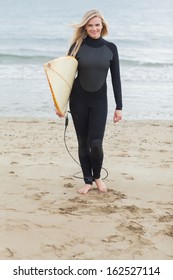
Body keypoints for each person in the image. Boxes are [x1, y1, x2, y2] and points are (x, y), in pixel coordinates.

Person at [56, 9, 122, 194]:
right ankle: (87, 180)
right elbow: (66, 78)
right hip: (79, 100)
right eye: (90, 25)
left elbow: (116, 78)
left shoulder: (111, 48)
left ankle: (97, 177)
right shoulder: (77, 46)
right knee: (83, 141)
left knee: (96, 143)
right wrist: (60, 105)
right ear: (85, 26)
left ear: (103, 26)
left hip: (99, 101)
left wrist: (119, 106)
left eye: (97, 25)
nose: (94, 28)